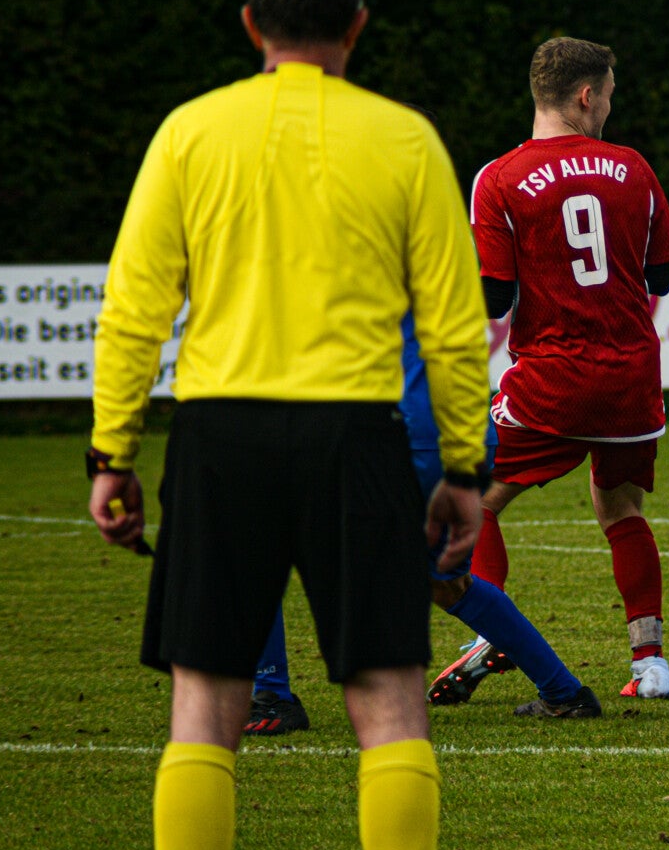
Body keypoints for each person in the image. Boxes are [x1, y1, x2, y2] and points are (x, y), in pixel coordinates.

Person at [86, 0, 485, 850]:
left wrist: (111, 453)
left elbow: (134, 310)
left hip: (220, 439)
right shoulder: (405, 140)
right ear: (358, 24)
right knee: (389, 701)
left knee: (204, 707)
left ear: (250, 23)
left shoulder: (190, 132)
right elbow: (452, 325)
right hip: (357, 438)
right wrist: (464, 467)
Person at [243, 310, 601, 735]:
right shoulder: (437, 271)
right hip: (464, 430)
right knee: (447, 582)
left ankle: (271, 696)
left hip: (395, 432)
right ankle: (565, 693)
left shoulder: (332, 282)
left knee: (258, 546)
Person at [469, 37, 669, 700]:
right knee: (621, 509)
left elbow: (495, 298)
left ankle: (489, 633)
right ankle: (651, 665)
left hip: (551, 381)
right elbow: (662, 278)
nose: (610, 107)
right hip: (631, 379)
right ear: (586, 96)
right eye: (610, 95)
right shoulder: (634, 168)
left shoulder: (499, 178)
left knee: (473, 501)